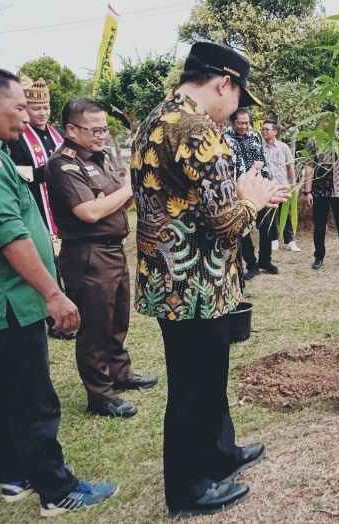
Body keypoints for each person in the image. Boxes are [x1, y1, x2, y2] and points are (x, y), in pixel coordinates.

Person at [131, 42, 287, 516]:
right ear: (224, 83)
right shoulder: (201, 131)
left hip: (176, 277)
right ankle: (188, 488)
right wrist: (253, 199)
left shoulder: (156, 119)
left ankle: (219, 454)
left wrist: (235, 192)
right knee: (193, 387)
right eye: (239, 96)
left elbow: (188, 199)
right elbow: (229, 225)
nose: (237, 108)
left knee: (208, 376)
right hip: (193, 283)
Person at [0, 68, 117, 517]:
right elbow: (8, 232)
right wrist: (53, 295)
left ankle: (14, 475)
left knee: (8, 390)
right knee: (36, 398)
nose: (27, 116)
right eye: (18, 106)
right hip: (10, 303)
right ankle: (57, 490)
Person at [46, 99, 157, 418]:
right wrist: (127, 189)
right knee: (95, 326)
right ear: (71, 129)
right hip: (88, 254)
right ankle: (100, 394)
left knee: (117, 317)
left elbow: (111, 203)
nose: (102, 135)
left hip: (112, 249)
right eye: (95, 130)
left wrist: (114, 196)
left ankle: (120, 374)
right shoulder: (64, 165)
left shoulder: (100, 158)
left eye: (105, 129)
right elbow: (90, 211)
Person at [7, 76, 71, 339]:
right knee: (47, 263)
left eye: (46, 108)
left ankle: (68, 310)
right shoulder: (16, 138)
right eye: (36, 109)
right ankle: (52, 318)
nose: (42, 113)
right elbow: (17, 171)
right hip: (35, 205)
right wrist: (49, 172)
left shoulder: (58, 134)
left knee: (64, 262)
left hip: (60, 206)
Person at [225, 108, 278, 279]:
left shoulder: (255, 135)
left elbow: (262, 159)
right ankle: (252, 264)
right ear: (232, 122)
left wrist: (267, 181)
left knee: (266, 227)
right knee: (244, 230)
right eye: (240, 123)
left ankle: (265, 260)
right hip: (239, 191)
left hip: (259, 187)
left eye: (246, 123)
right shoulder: (225, 138)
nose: (244, 126)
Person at [303, 134, 339, 270]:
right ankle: (319, 257)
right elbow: (309, 166)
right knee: (320, 226)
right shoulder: (314, 140)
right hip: (320, 191)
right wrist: (307, 191)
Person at [261, 119, 300, 252]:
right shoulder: (260, 148)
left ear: (275, 132)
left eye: (267, 129)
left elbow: (290, 166)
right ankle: (274, 240)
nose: (264, 131)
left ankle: (290, 241)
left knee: (286, 213)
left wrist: (293, 183)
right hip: (268, 186)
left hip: (283, 185)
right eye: (263, 129)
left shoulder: (283, 147)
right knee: (270, 213)